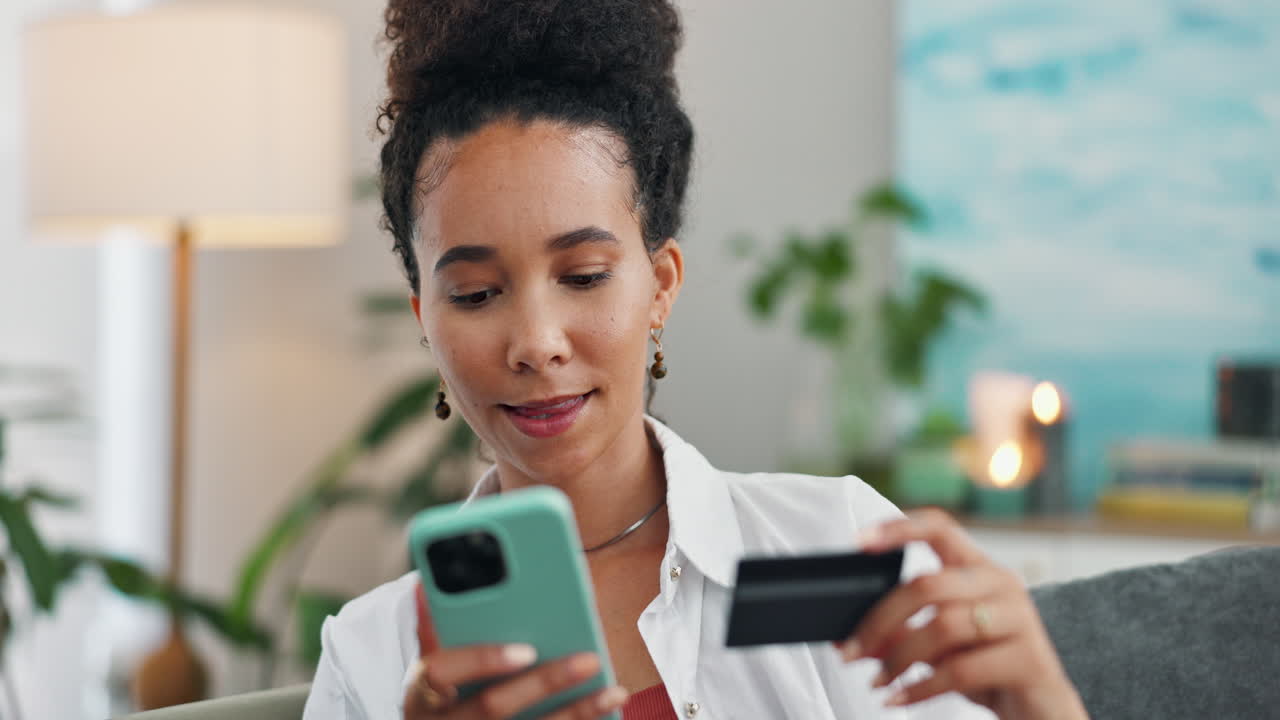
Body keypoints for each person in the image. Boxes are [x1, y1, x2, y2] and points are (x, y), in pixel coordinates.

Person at [303, 1, 1088, 718]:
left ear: (660, 287)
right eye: (474, 294)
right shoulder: (372, 660)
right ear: (425, 322)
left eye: (583, 277)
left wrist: (1043, 702)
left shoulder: (832, 547)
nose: (536, 342)